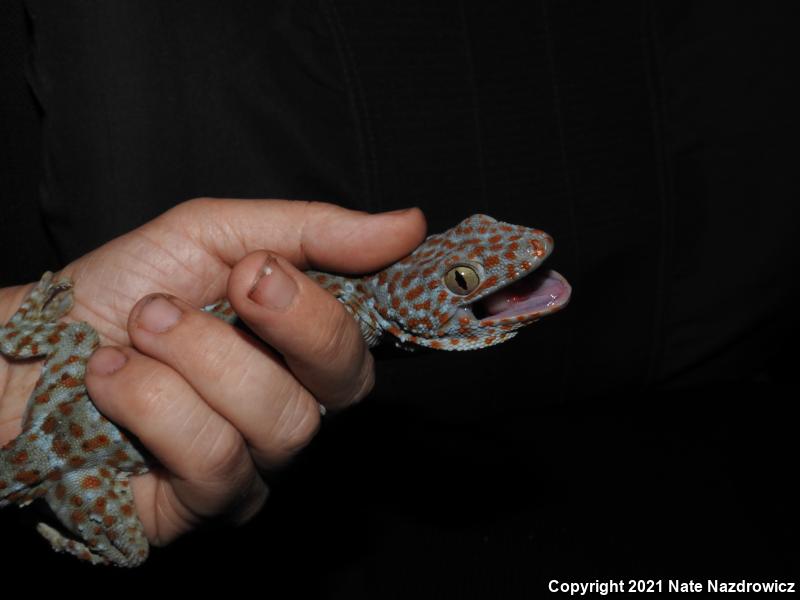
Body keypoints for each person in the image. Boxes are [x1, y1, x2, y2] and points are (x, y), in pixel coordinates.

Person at [2, 0, 797, 594]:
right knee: (132, 548)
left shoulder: (326, 295)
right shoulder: (322, 284)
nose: (506, 259)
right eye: (460, 275)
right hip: (65, 455)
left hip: (56, 397)